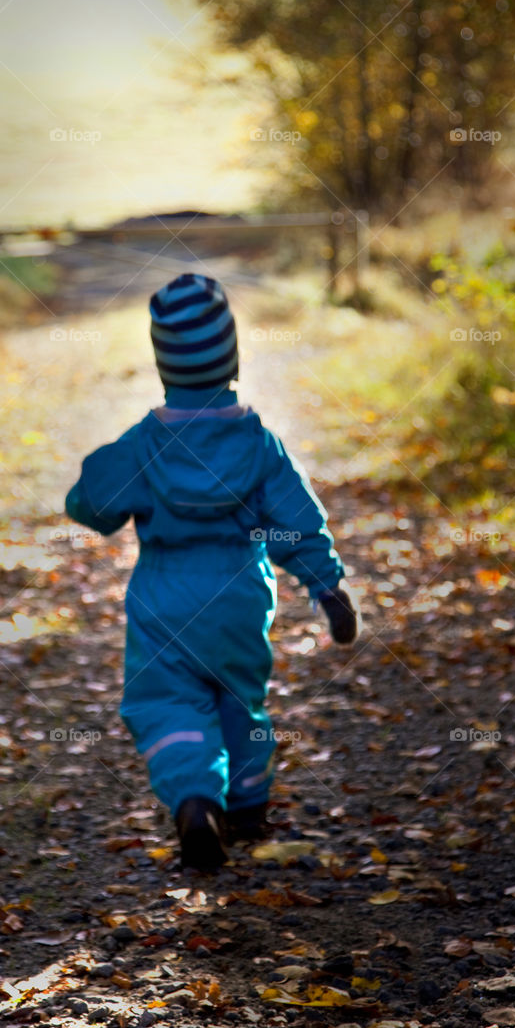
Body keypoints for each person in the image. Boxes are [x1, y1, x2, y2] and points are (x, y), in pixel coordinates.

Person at [64, 274, 361, 871]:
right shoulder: (258, 445)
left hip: (165, 598)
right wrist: (327, 586)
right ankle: (248, 806)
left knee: (166, 701)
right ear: (233, 358)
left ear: (162, 365)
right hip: (239, 599)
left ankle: (197, 800)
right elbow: (298, 520)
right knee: (239, 699)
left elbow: (93, 505)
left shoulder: (144, 444)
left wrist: (93, 483)